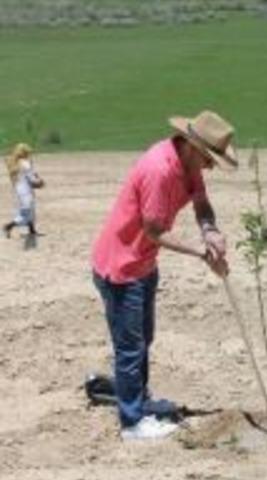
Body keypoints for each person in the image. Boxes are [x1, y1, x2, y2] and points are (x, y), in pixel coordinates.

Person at [91, 111, 235, 440]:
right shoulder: (160, 170)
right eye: (209, 158)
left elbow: (201, 201)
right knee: (130, 348)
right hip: (121, 267)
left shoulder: (189, 165)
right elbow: (154, 230)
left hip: (143, 264)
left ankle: (138, 401)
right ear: (191, 145)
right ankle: (132, 423)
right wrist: (201, 253)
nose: (211, 166)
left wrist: (210, 230)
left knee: (143, 340)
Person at [4, 143, 44, 239]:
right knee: (26, 212)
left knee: (31, 210)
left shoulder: (16, 163)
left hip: (19, 191)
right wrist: (39, 182)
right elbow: (31, 179)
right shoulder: (25, 163)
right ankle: (8, 226)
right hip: (26, 191)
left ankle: (32, 230)